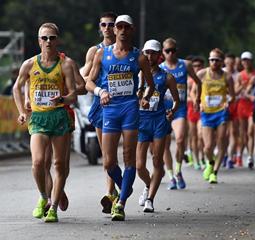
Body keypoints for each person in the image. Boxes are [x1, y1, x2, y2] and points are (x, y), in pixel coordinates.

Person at [86, 15, 155, 221]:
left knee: (128, 157)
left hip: (129, 109)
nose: (122, 30)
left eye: (126, 27)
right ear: (114, 30)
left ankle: (121, 203)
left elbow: (150, 84)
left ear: (131, 30)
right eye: (119, 27)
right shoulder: (102, 54)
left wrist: (144, 98)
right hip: (110, 110)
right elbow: (89, 81)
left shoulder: (139, 57)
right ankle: (126, 187)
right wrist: (100, 92)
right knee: (108, 162)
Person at [13, 22, 77, 222]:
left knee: (59, 164)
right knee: (38, 162)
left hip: (59, 117)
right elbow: (17, 87)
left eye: (52, 38)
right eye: (44, 38)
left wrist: (63, 99)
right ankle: (43, 197)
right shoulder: (29, 64)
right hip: (39, 117)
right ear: (39, 41)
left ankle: (53, 208)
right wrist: (22, 112)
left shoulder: (65, 64)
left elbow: (73, 94)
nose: (48, 41)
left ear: (57, 40)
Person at [136, 39, 180, 212]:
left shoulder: (167, 77)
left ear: (159, 55)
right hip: (142, 121)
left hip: (159, 121)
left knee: (156, 160)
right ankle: (148, 185)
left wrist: (172, 111)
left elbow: (177, 100)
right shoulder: (138, 74)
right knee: (139, 166)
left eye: (153, 53)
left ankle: (150, 200)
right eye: (146, 52)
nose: (149, 56)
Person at [81, 12, 118, 214]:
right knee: (107, 156)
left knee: (120, 154)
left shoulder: (125, 50)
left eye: (111, 24)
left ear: (118, 27)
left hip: (122, 104)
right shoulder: (95, 51)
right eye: (103, 24)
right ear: (99, 27)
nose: (107, 28)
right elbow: (86, 77)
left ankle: (117, 190)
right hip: (101, 104)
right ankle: (112, 193)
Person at [160, 38, 201, 190]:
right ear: (162, 52)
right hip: (163, 109)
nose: (170, 53)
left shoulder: (185, 65)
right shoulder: (160, 67)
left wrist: (197, 98)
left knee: (180, 139)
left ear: (176, 50)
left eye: (173, 50)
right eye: (167, 51)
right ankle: (171, 176)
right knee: (164, 146)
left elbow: (198, 82)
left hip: (180, 108)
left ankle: (178, 171)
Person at [198, 48, 235, 183]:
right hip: (206, 113)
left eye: (217, 60)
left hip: (221, 113)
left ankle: (214, 172)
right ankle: (210, 162)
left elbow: (233, 96)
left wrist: (228, 102)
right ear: (209, 60)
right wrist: (199, 103)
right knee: (207, 147)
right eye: (212, 59)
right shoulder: (202, 74)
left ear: (222, 62)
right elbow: (193, 91)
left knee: (221, 142)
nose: (214, 62)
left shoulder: (227, 76)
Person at [235, 51, 255, 169]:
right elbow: (235, 92)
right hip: (242, 105)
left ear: (251, 61)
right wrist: (242, 86)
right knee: (243, 133)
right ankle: (241, 154)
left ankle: (250, 156)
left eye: (247, 60)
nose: (245, 62)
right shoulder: (239, 75)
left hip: (253, 106)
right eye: (243, 60)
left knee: (250, 131)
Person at [187, 56, 205, 170]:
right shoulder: (188, 81)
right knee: (193, 136)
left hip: (203, 110)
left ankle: (203, 157)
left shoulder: (205, 79)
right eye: (194, 66)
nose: (197, 68)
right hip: (191, 110)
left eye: (199, 66)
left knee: (200, 135)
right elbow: (185, 95)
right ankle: (196, 160)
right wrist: (193, 100)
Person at [223, 53, 240, 168]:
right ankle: (223, 154)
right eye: (228, 62)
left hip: (234, 104)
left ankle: (230, 157)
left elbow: (237, 90)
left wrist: (228, 90)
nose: (230, 64)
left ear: (235, 63)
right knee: (223, 133)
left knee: (233, 132)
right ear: (225, 62)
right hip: (222, 105)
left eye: (232, 62)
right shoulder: (221, 72)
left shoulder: (238, 75)